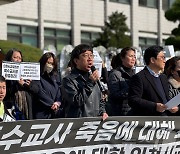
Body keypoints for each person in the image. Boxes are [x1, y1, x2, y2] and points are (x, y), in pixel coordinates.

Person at [61, 44, 108, 120]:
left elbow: (100, 100)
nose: (90, 59)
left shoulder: (94, 78)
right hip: (78, 126)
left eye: (91, 55)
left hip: (94, 124)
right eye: (85, 55)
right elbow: (77, 101)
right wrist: (90, 83)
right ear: (76, 61)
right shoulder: (68, 80)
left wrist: (103, 112)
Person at [128, 45, 170, 116]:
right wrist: (154, 106)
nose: (165, 60)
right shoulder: (139, 77)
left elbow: (166, 98)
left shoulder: (163, 77)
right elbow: (133, 100)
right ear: (152, 60)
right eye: (162, 57)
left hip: (166, 120)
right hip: (149, 121)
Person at [3, 48, 38, 120]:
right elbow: (6, 93)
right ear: (9, 59)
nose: (17, 60)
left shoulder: (27, 73)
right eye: (15, 57)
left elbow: (36, 90)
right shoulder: (4, 75)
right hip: (12, 109)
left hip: (27, 109)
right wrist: (15, 83)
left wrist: (26, 85)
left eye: (19, 58)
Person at [107, 47, 136, 116]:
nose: (133, 59)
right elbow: (114, 94)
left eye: (134, 56)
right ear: (122, 58)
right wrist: (130, 89)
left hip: (134, 111)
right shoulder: (115, 74)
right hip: (121, 114)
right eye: (130, 56)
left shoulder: (136, 73)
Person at [33, 52, 62, 119]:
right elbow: (39, 92)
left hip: (55, 113)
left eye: (52, 64)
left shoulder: (56, 76)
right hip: (42, 113)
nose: (50, 65)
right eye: (48, 63)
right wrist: (52, 104)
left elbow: (59, 90)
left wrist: (58, 103)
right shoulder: (37, 76)